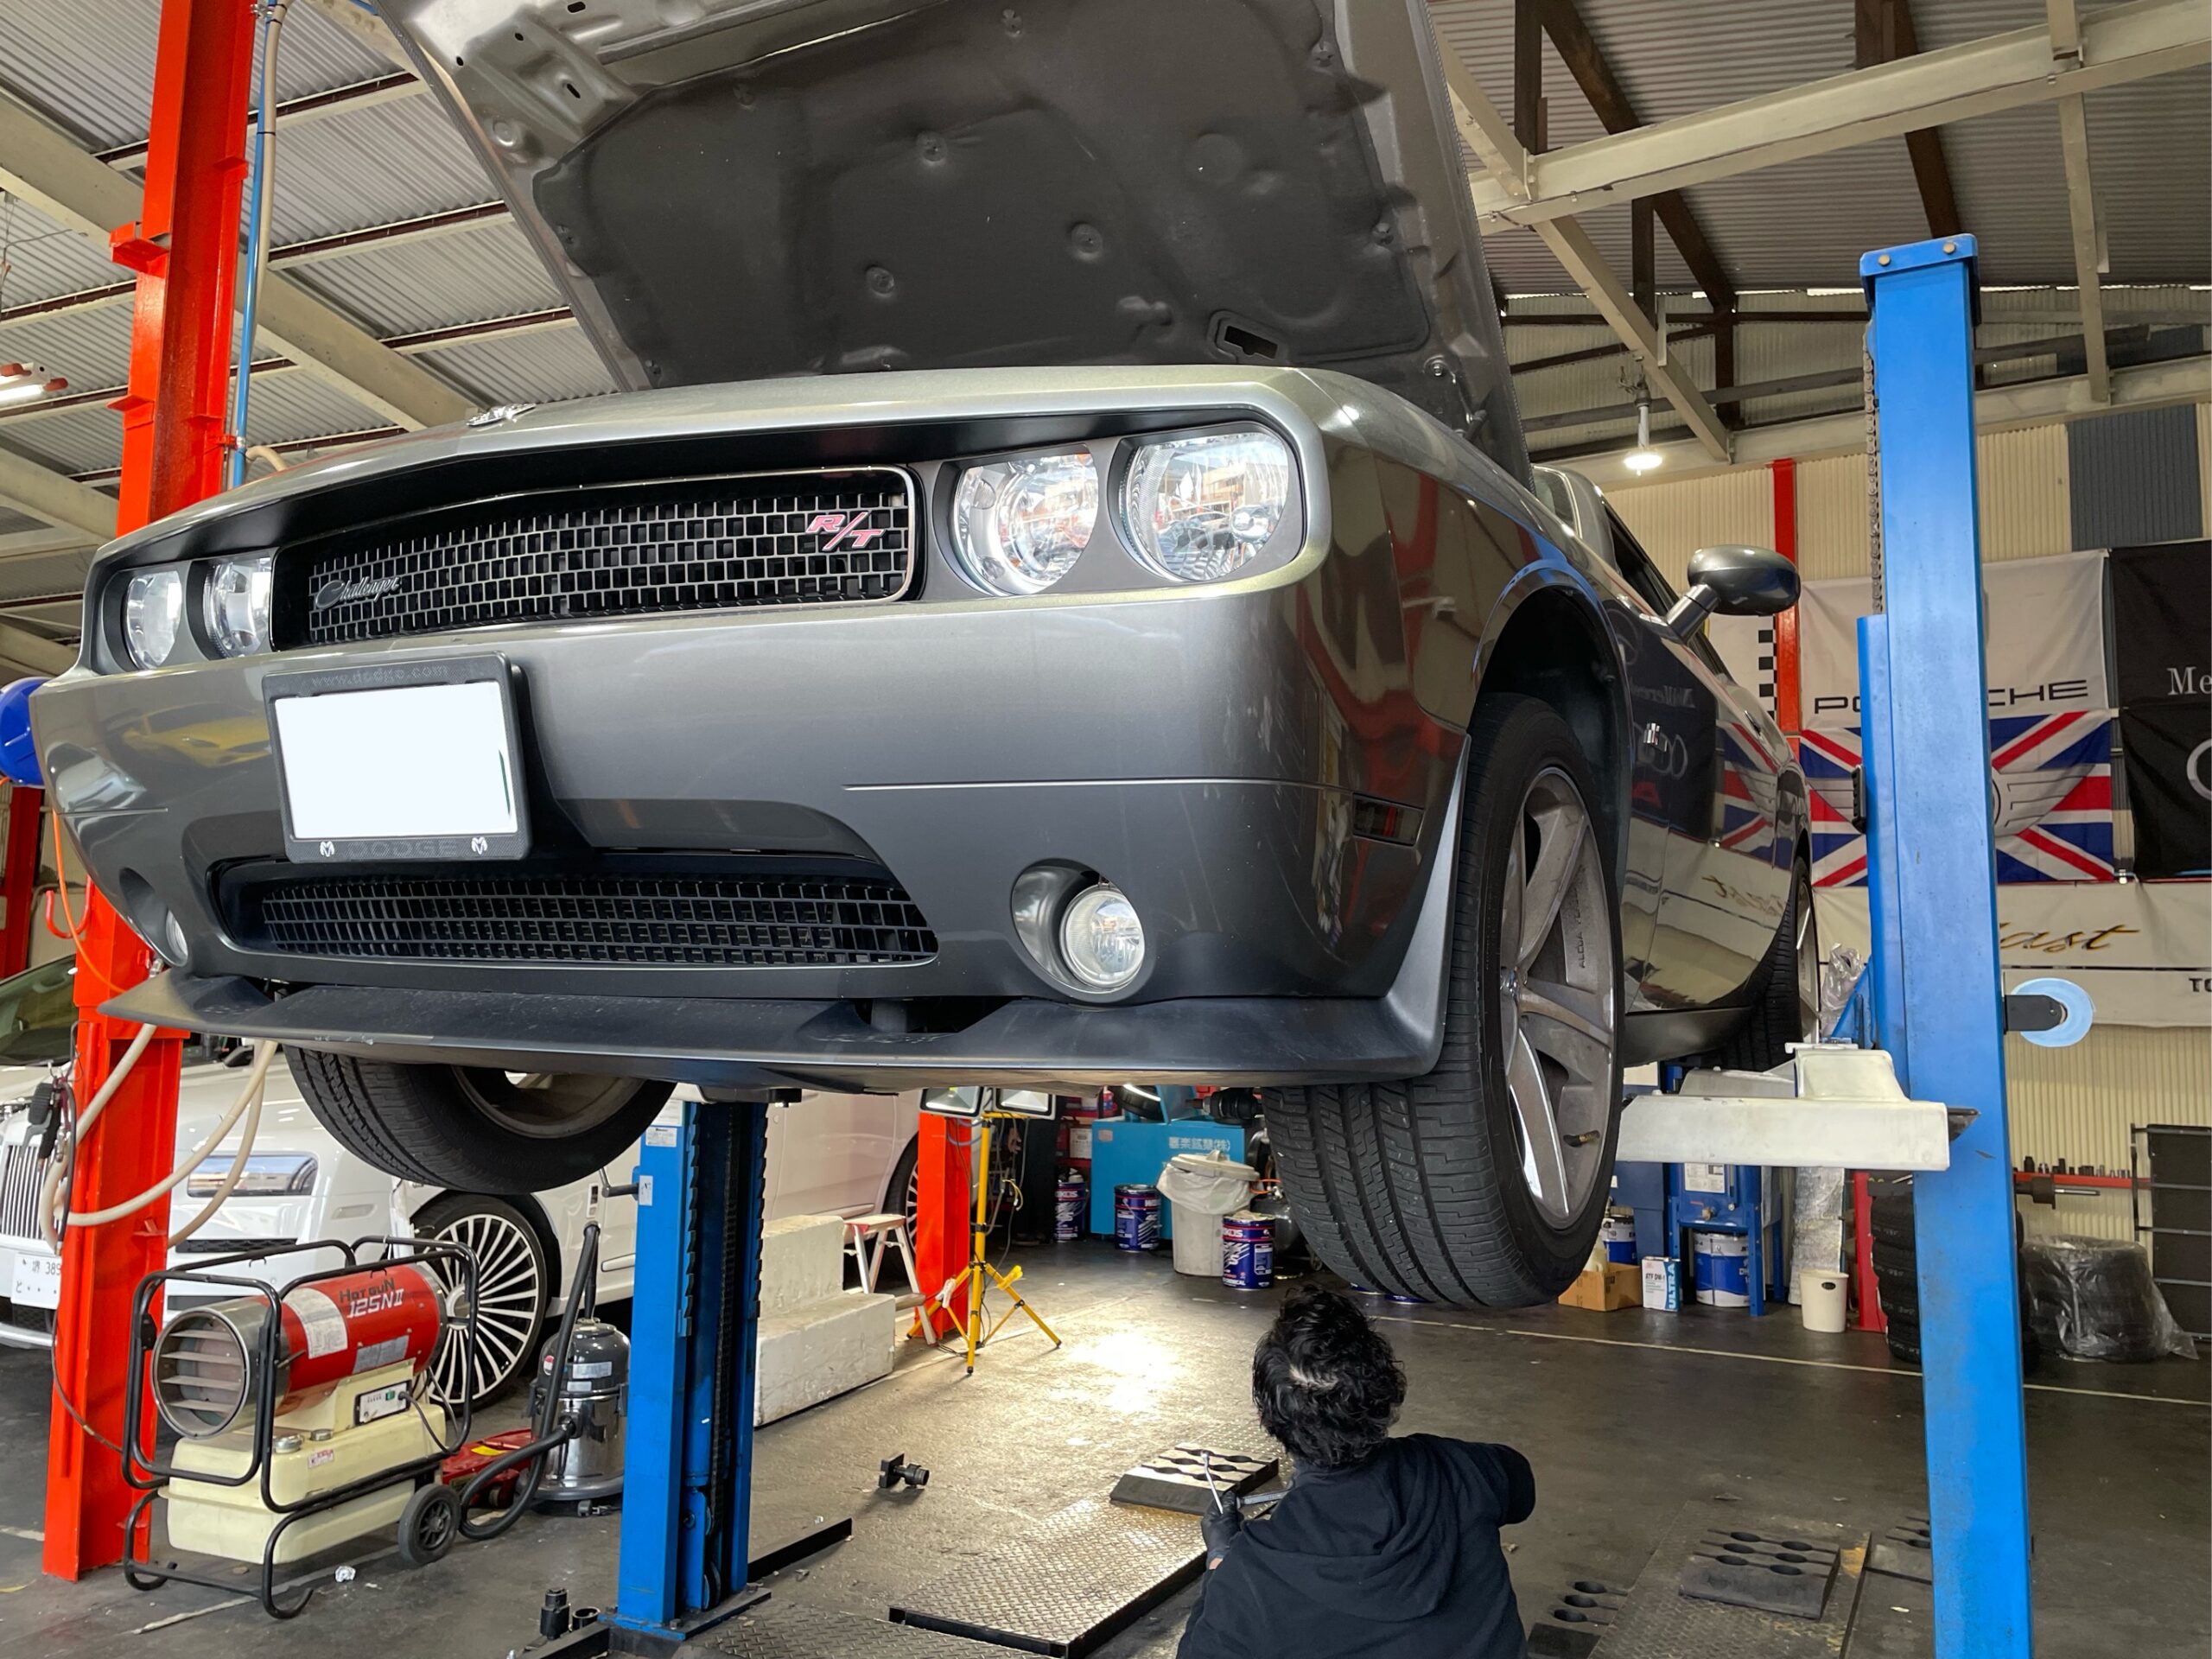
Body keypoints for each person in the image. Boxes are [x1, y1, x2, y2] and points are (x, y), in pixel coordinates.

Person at [1178, 1286, 1535, 1659]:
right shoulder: (1459, 1468)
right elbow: (1521, 1490)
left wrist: (1219, 1559)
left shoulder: (1251, 1576)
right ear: (1386, 1396)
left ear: (1264, 1419)